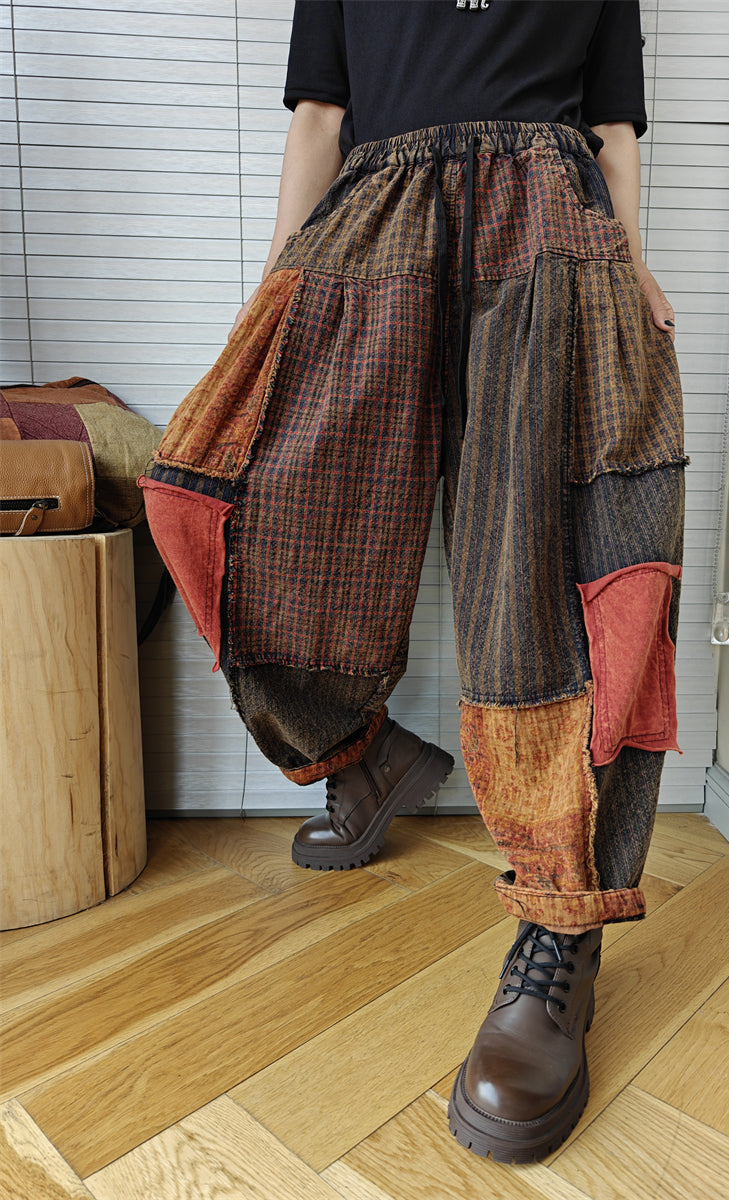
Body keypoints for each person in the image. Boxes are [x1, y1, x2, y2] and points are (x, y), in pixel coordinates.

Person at [140, 0, 687, 1164]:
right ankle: (362, 753)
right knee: (225, 500)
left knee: (552, 586)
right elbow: (320, 117)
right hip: (374, 225)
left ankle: (561, 926)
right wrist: (275, 290)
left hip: (548, 233)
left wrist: (633, 263)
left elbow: (613, 128)